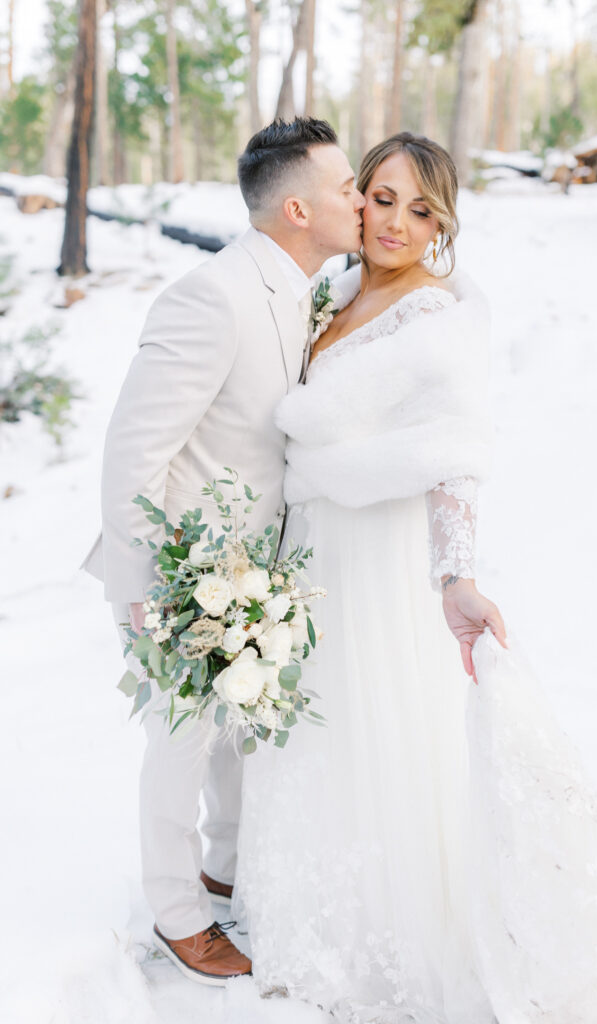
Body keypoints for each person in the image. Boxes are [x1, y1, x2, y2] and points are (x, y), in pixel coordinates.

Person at [234, 132, 597, 1022]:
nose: (394, 223)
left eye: (421, 210)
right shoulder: (339, 289)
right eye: (381, 198)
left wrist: (455, 577)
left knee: (384, 731)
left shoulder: (436, 317)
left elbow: (453, 455)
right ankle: (316, 915)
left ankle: (401, 927)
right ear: (357, 199)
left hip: (380, 556)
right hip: (317, 551)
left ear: (444, 224)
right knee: (320, 730)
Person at [81, 117, 365, 986]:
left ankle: (224, 872)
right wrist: (148, 586)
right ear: (295, 208)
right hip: (179, 576)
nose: (358, 200)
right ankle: (177, 912)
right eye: (346, 187)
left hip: (257, 574)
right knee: (181, 739)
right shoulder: (211, 295)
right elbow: (136, 453)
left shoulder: (309, 287)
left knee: (239, 738)